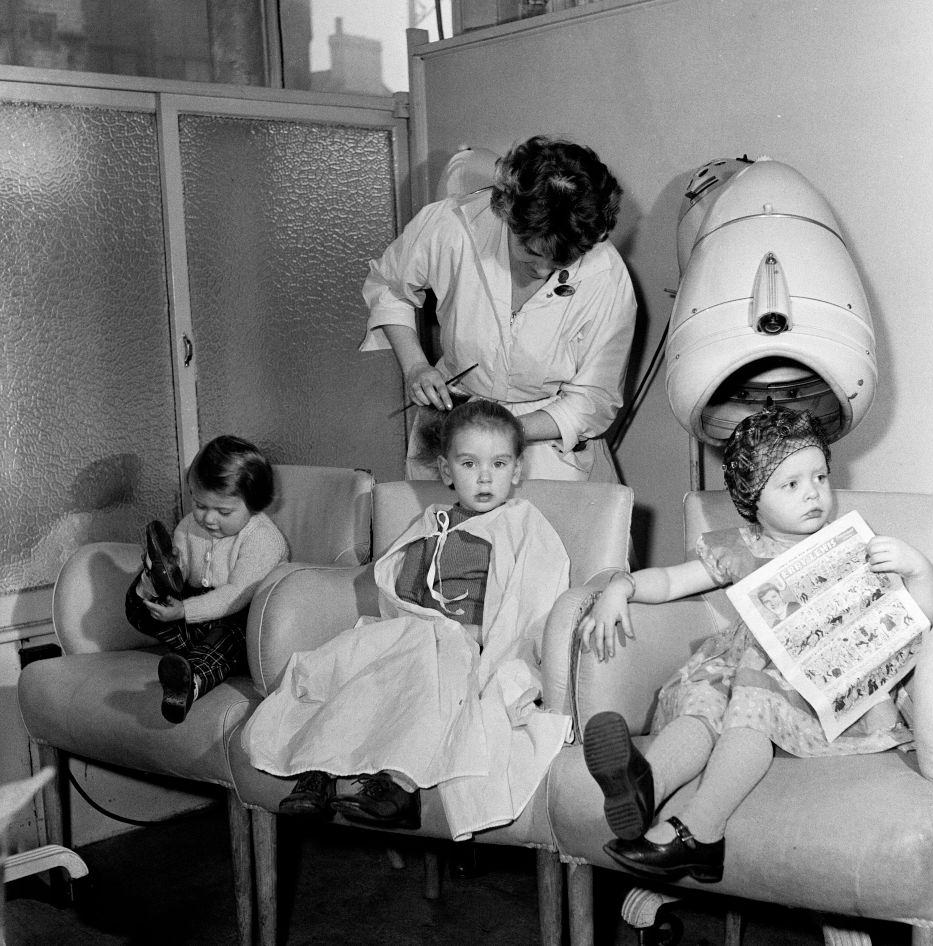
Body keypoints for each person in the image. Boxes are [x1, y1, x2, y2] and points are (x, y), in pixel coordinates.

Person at [577, 406, 933, 882]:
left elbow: (914, 618)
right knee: (703, 704)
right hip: (739, 669)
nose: (812, 492)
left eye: (820, 477)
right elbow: (668, 581)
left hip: (810, 683)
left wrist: (918, 569)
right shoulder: (737, 547)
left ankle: (700, 831)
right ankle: (644, 784)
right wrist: (620, 587)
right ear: (752, 497)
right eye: (790, 484)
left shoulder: (850, 548)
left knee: (748, 706)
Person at [241, 400, 572, 840]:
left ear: (517, 470)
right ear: (446, 470)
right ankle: (316, 768)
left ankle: (398, 785)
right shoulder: (432, 523)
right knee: (349, 664)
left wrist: (476, 635)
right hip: (417, 632)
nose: (485, 476)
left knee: (424, 671)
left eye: (499, 463)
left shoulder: (522, 525)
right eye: (469, 463)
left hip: (468, 642)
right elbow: (402, 591)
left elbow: (530, 602)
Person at [359, 135, 637, 482]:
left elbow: (594, 399)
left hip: (544, 441)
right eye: (533, 253)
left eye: (563, 259)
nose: (543, 271)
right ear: (506, 214)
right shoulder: (453, 227)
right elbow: (389, 286)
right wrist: (415, 366)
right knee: (442, 533)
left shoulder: (606, 275)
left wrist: (502, 433)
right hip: (452, 422)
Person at [125, 435, 288, 724]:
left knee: (230, 634)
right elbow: (183, 574)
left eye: (223, 511)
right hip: (198, 619)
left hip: (243, 623)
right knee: (138, 601)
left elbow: (235, 594)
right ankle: (193, 647)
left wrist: (185, 611)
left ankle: (191, 681)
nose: (209, 519)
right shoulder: (189, 527)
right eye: (200, 505)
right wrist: (158, 581)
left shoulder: (263, 539)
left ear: (254, 504)